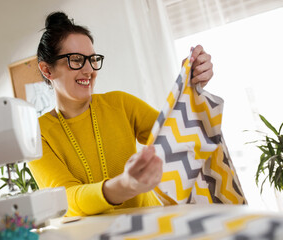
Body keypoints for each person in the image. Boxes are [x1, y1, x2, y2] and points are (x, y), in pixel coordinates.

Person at [28, 11, 214, 217]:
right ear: (47, 70)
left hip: (151, 226)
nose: (89, 69)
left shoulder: (120, 104)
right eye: (77, 60)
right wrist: (125, 186)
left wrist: (190, 86)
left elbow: (179, 138)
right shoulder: (38, 135)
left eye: (92, 59)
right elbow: (66, 199)